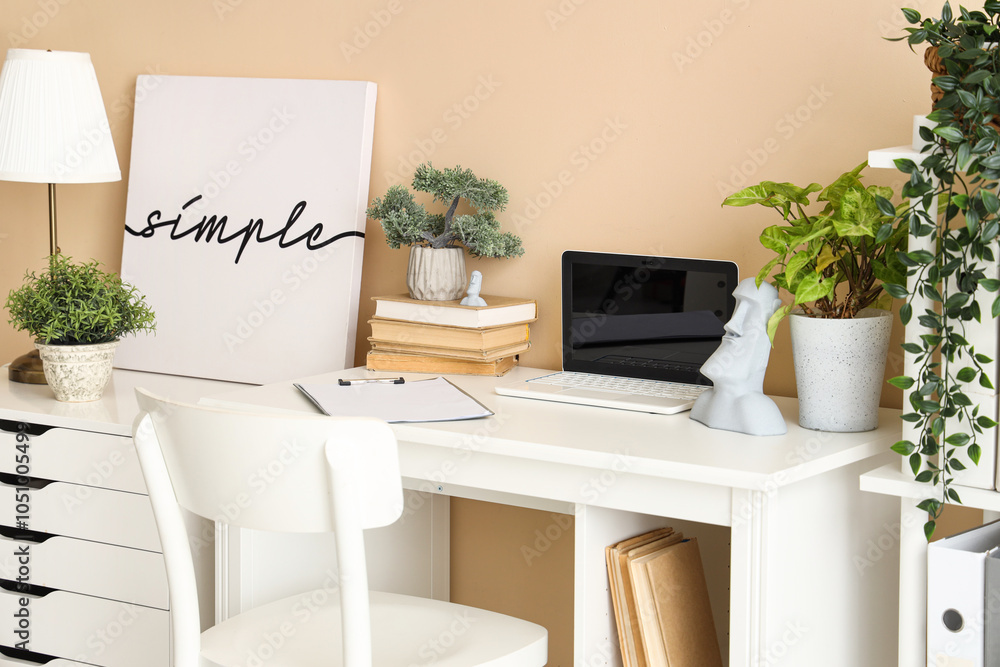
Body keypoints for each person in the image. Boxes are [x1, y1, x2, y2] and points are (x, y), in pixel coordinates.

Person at [689, 278, 787, 436]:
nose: (730, 325)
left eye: (751, 310)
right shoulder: (705, 400)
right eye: (737, 306)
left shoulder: (757, 410)